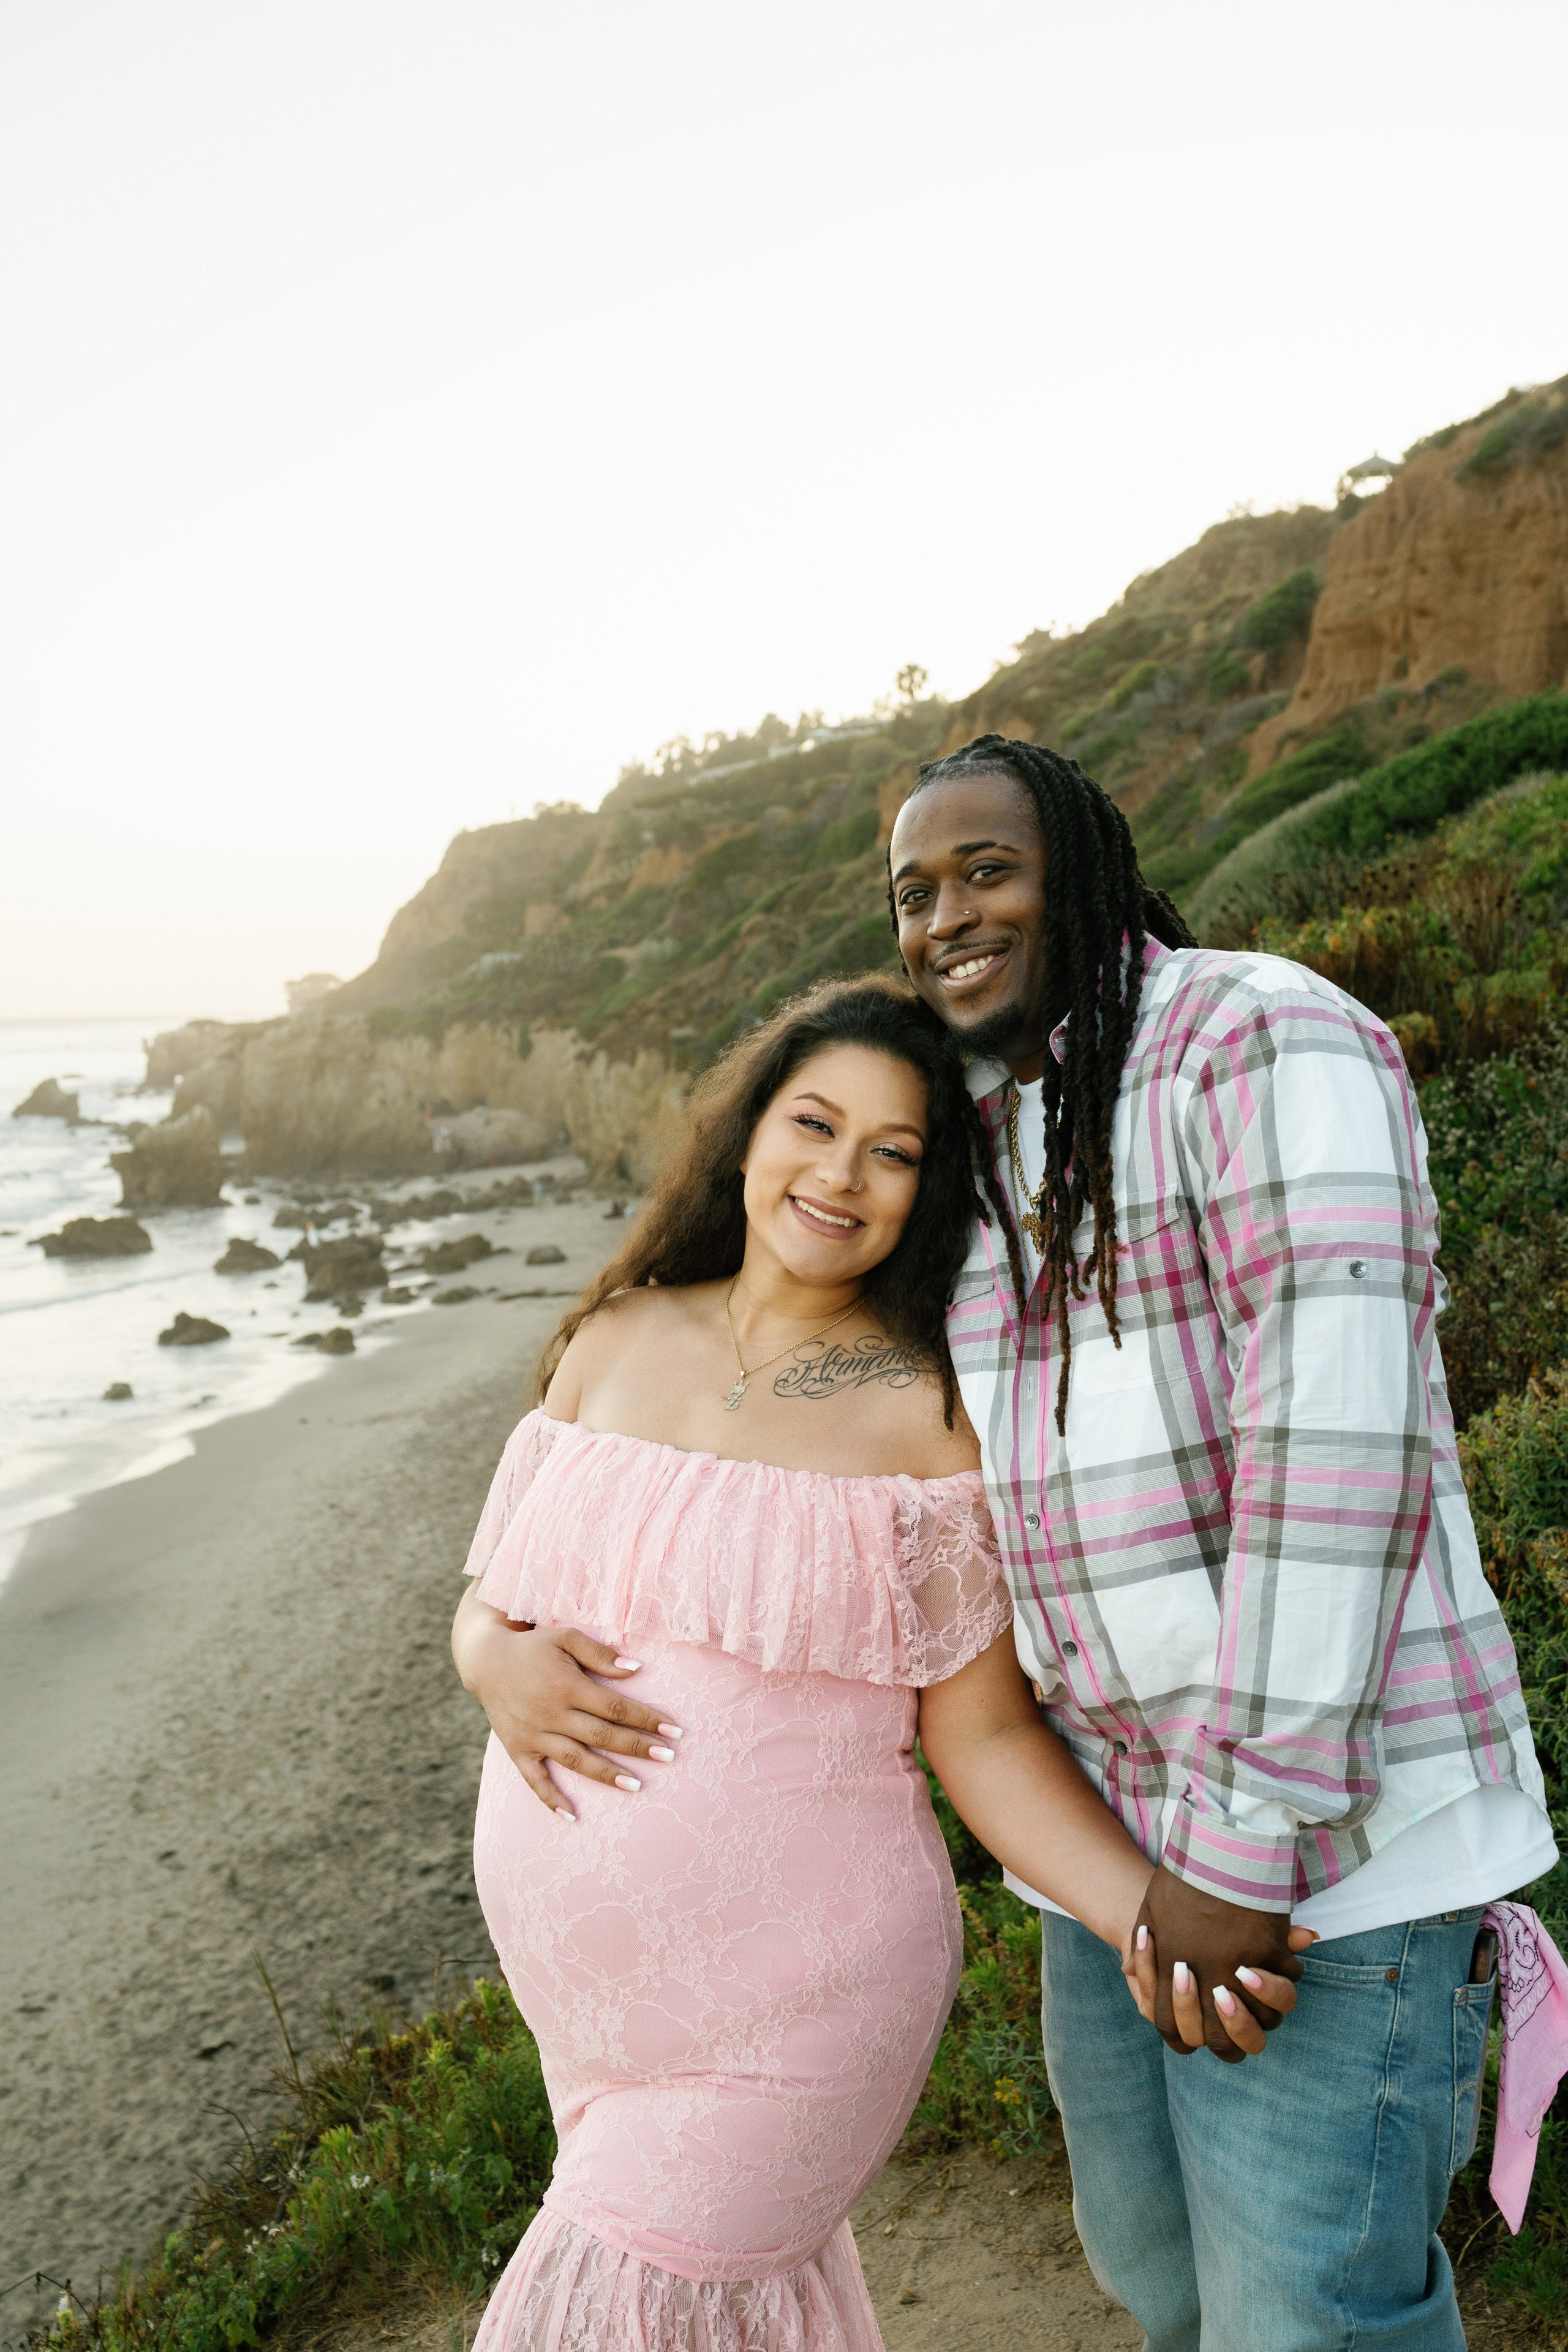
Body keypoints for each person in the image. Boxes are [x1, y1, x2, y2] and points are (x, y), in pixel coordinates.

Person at [450, 975, 1290, 2351]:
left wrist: (1147, 1914)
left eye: (892, 1152)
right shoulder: (612, 1337)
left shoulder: (928, 1416)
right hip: (590, 2025)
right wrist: (489, 1659)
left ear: (934, 1189)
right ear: (747, 1135)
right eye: (813, 1124)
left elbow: (984, 1737)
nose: (839, 1175)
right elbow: (494, 1603)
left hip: (794, 2007)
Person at [886, 733, 1556, 2351]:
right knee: (1165, 2292)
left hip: (1331, 1855)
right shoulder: (976, 1134)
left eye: (987, 867)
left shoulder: (1252, 1033)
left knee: (1310, 2325)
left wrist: (1235, 1851)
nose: (943, 916)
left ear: (1087, 868)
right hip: (1115, 1871)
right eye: (911, 891)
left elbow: (1339, 1440)